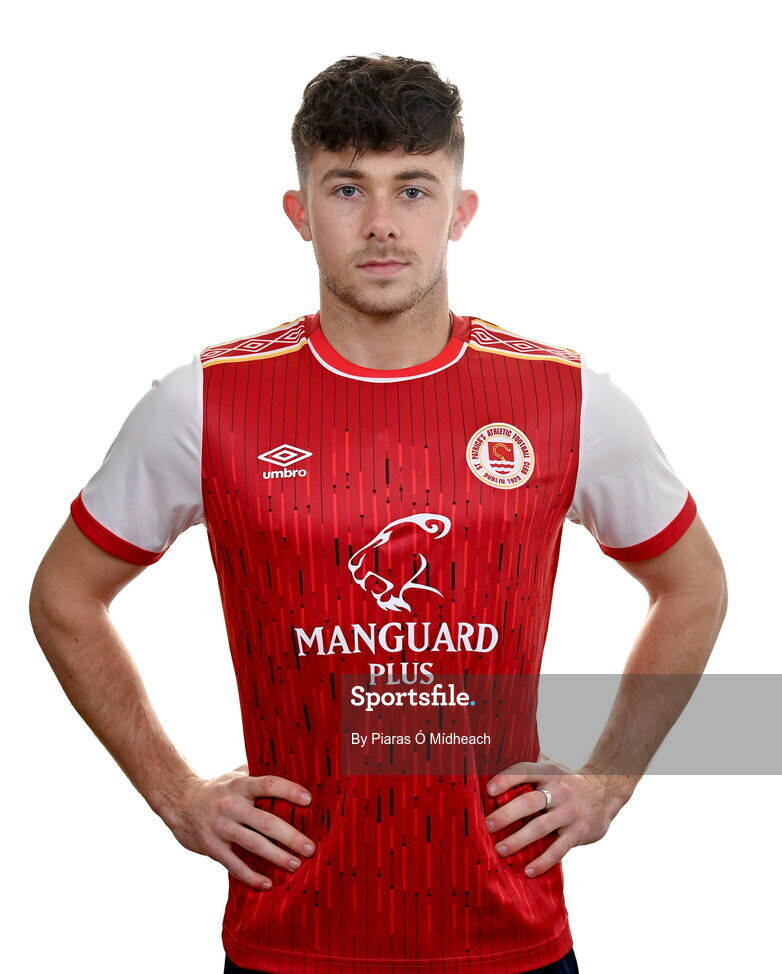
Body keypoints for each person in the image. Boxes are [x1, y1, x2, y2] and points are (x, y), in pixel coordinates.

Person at [29, 54, 727, 974]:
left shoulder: (566, 399)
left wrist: (611, 780)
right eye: (348, 188)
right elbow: (64, 597)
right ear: (300, 211)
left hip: (508, 933)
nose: (383, 223)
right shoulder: (204, 404)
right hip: (291, 935)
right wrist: (175, 794)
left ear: (461, 211)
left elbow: (694, 586)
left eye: (414, 189)